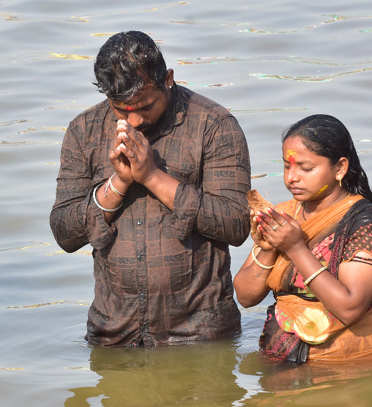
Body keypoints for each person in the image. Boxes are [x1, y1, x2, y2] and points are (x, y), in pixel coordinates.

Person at [50, 31, 251, 347]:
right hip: (114, 333)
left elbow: (236, 224)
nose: (135, 119)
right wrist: (119, 183)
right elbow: (64, 233)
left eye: (145, 105)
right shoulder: (84, 130)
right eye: (121, 109)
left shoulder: (214, 124)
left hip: (199, 334)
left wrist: (153, 177)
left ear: (168, 79)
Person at [234, 115, 372, 364]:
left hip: (339, 366)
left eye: (306, 168)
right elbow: (245, 297)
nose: (292, 178)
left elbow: (351, 308)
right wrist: (267, 249)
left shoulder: (362, 222)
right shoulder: (286, 213)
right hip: (282, 355)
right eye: (288, 166)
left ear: (340, 168)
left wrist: (295, 248)